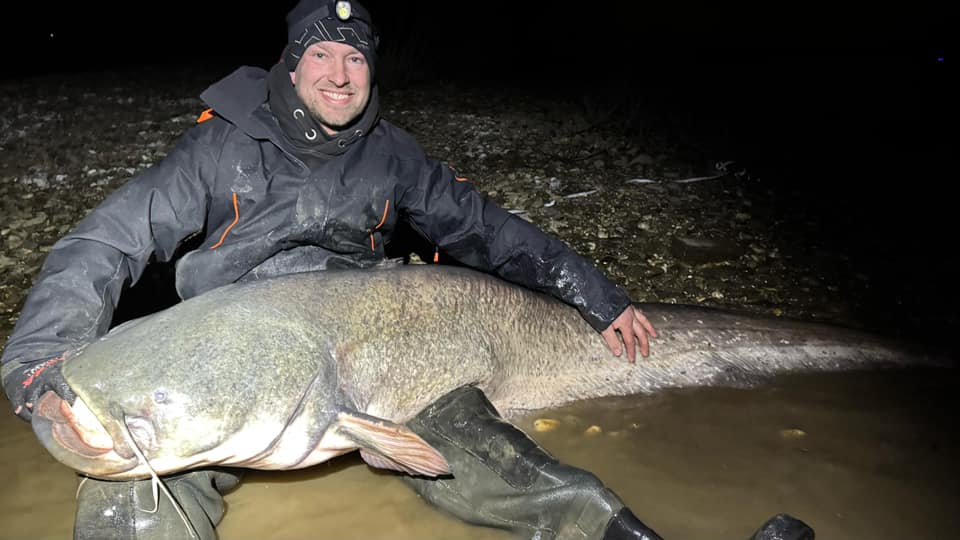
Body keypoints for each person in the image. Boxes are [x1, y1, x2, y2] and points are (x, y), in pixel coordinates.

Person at [1, 1, 812, 539]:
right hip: (238, 336)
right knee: (128, 496)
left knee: (535, 480)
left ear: (371, 74)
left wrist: (599, 299)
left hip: (377, 350)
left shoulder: (392, 155)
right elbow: (102, 242)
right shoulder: (221, 145)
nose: (339, 74)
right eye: (322, 55)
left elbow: (488, 229)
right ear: (292, 66)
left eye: (356, 61)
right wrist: (37, 361)